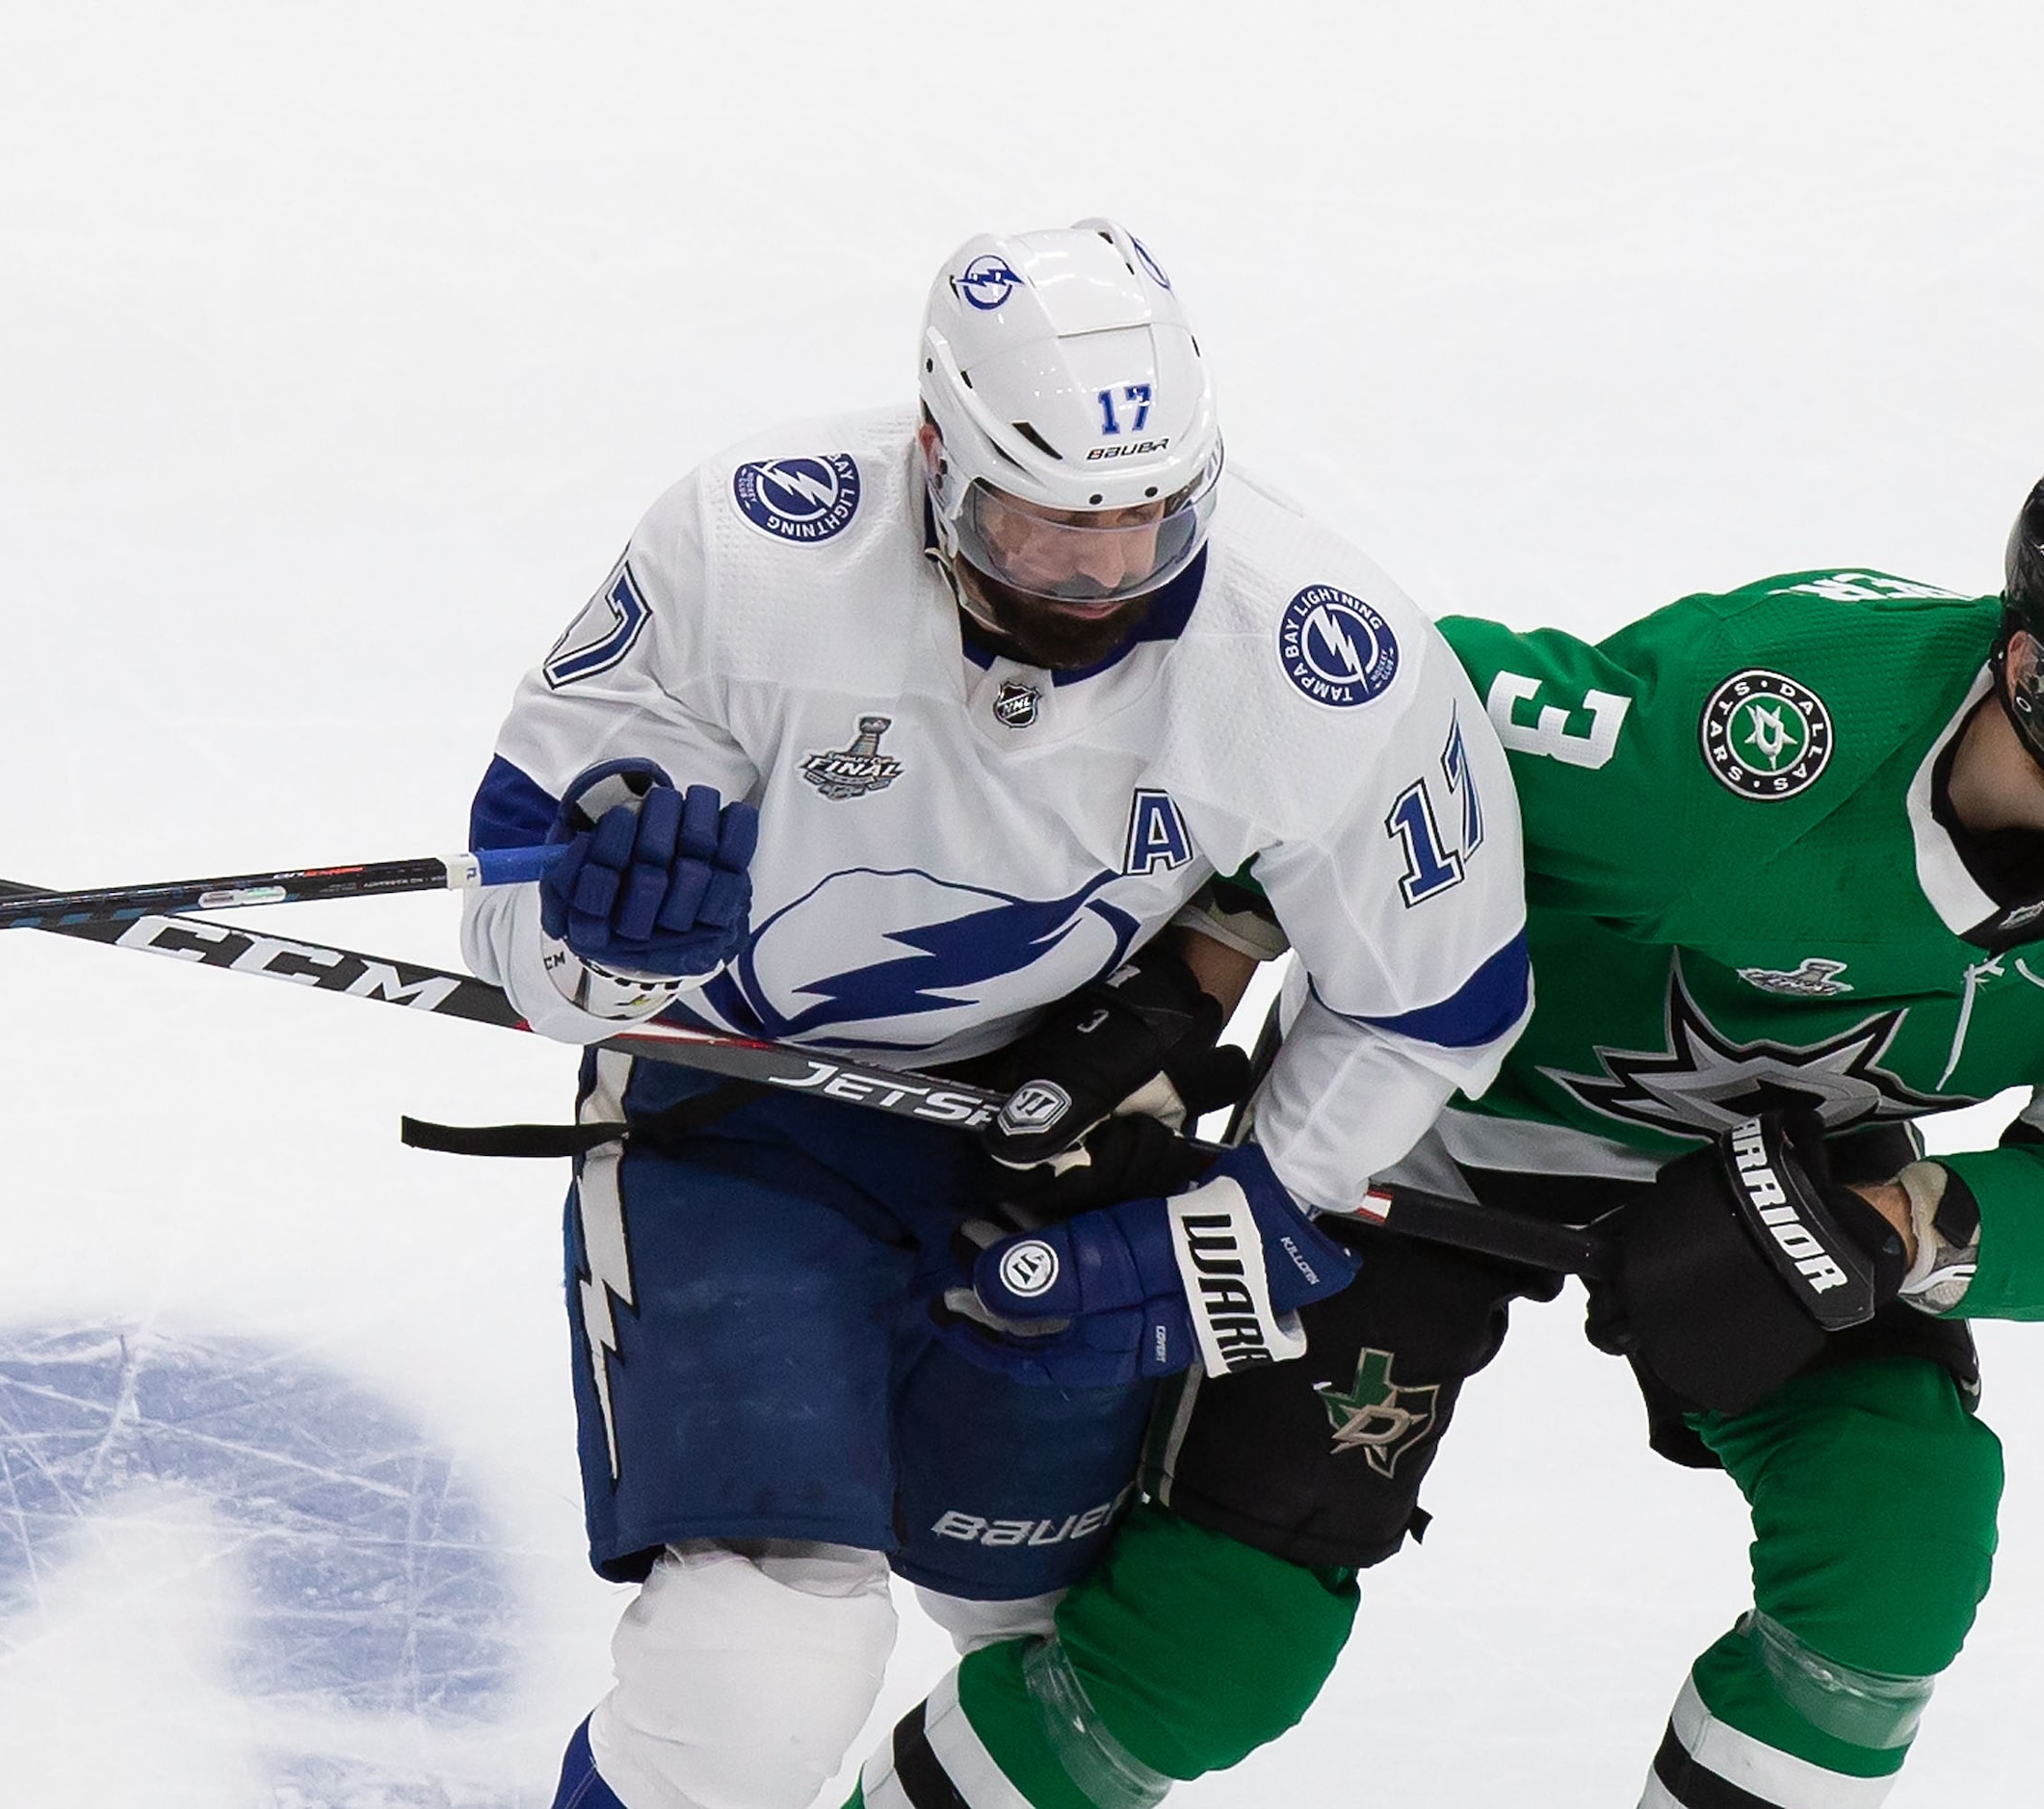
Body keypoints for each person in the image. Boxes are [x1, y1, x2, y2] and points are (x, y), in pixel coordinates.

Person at [854, 449, 2044, 1809]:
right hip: (1432, 1140)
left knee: (1901, 1540)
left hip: (1786, 1197)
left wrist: (1899, 1226)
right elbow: (1368, 728)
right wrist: (1194, 974)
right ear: (2026, 670)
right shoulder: (1758, 733)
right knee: (1209, 1651)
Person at [456, 220, 1532, 1809]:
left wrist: (1250, 1205)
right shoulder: (748, 551)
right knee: (762, 1659)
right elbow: (502, 926)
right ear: (934, 458)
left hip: (1068, 1144)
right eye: (1038, 528)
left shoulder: (1320, 662)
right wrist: (605, 941)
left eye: (1146, 525)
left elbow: (1435, 999)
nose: (1098, 575)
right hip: (742, 1120)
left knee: (1042, 1629)